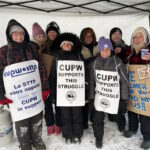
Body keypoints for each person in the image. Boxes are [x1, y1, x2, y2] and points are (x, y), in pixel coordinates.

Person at [0, 19, 49, 150]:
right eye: (15, 33)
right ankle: (25, 144)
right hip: (16, 97)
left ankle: (37, 139)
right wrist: (1, 95)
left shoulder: (32, 48)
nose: (19, 36)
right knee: (22, 122)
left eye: (21, 33)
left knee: (37, 117)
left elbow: (41, 68)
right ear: (10, 35)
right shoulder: (3, 52)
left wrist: (45, 88)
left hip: (34, 92)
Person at [88, 37, 128, 148]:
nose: (105, 52)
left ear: (111, 50)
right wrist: (91, 98)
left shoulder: (118, 62)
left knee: (118, 113)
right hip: (100, 96)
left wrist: (124, 99)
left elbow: (124, 81)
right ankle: (99, 138)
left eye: (108, 49)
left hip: (115, 96)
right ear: (99, 50)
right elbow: (91, 82)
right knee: (97, 118)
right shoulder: (94, 63)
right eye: (103, 49)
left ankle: (122, 125)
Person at [49, 32, 84, 144]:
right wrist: (54, 93)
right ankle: (68, 134)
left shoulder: (79, 56)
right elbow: (53, 77)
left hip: (77, 92)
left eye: (69, 44)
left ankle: (77, 133)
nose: (67, 45)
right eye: (65, 44)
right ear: (61, 46)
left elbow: (84, 75)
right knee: (65, 115)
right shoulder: (57, 58)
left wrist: (85, 90)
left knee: (77, 114)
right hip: (62, 93)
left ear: (72, 45)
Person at [123, 27, 150, 149]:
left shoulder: (148, 50)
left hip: (145, 89)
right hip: (132, 86)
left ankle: (147, 137)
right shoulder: (129, 51)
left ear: (145, 37)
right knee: (132, 108)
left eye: (140, 36)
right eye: (134, 36)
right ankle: (133, 128)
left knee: (145, 112)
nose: (137, 39)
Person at [44, 21, 62, 135]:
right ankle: (50, 124)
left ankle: (59, 123)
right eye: (49, 32)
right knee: (47, 103)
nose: (51, 34)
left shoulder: (62, 44)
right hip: (46, 79)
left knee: (59, 102)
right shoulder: (43, 46)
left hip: (59, 78)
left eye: (54, 32)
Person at [108, 27, 128, 131]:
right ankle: (112, 114)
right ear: (110, 35)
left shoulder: (125, 46)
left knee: (120, 99)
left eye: (118, 34)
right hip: (110, 77)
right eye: (114, 34)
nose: (116, 35)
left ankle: (121, 122)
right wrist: (112, 52)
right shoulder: (107, 46)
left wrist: (123, 50)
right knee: (111, 96)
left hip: (121, 75)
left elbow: (128, 56)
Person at [80, 27, 98, 129]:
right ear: (82, 36)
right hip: (86, 78)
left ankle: (95, 120)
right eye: (86, 35)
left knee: (96, 99)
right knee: (86, 100)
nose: (88, 37)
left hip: (99, 78)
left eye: (90, 35)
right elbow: (80, 63)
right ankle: (84, 122)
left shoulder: (98, 45)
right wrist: (94, 58)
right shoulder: (79, 48)